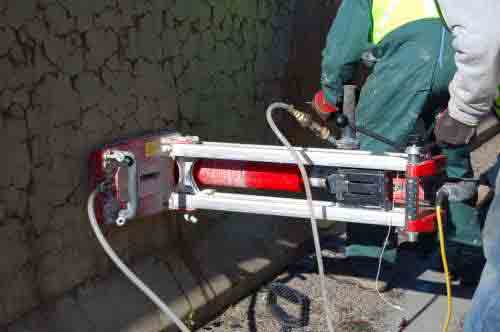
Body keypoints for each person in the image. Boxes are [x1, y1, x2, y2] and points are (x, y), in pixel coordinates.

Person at [313, 0, 495, 291]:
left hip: (410, 58)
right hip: (461, 59)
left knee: (370, 156)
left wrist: (330, 92)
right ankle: (466, 252)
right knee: (449, 152)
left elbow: (343, 46)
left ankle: (369, 263)